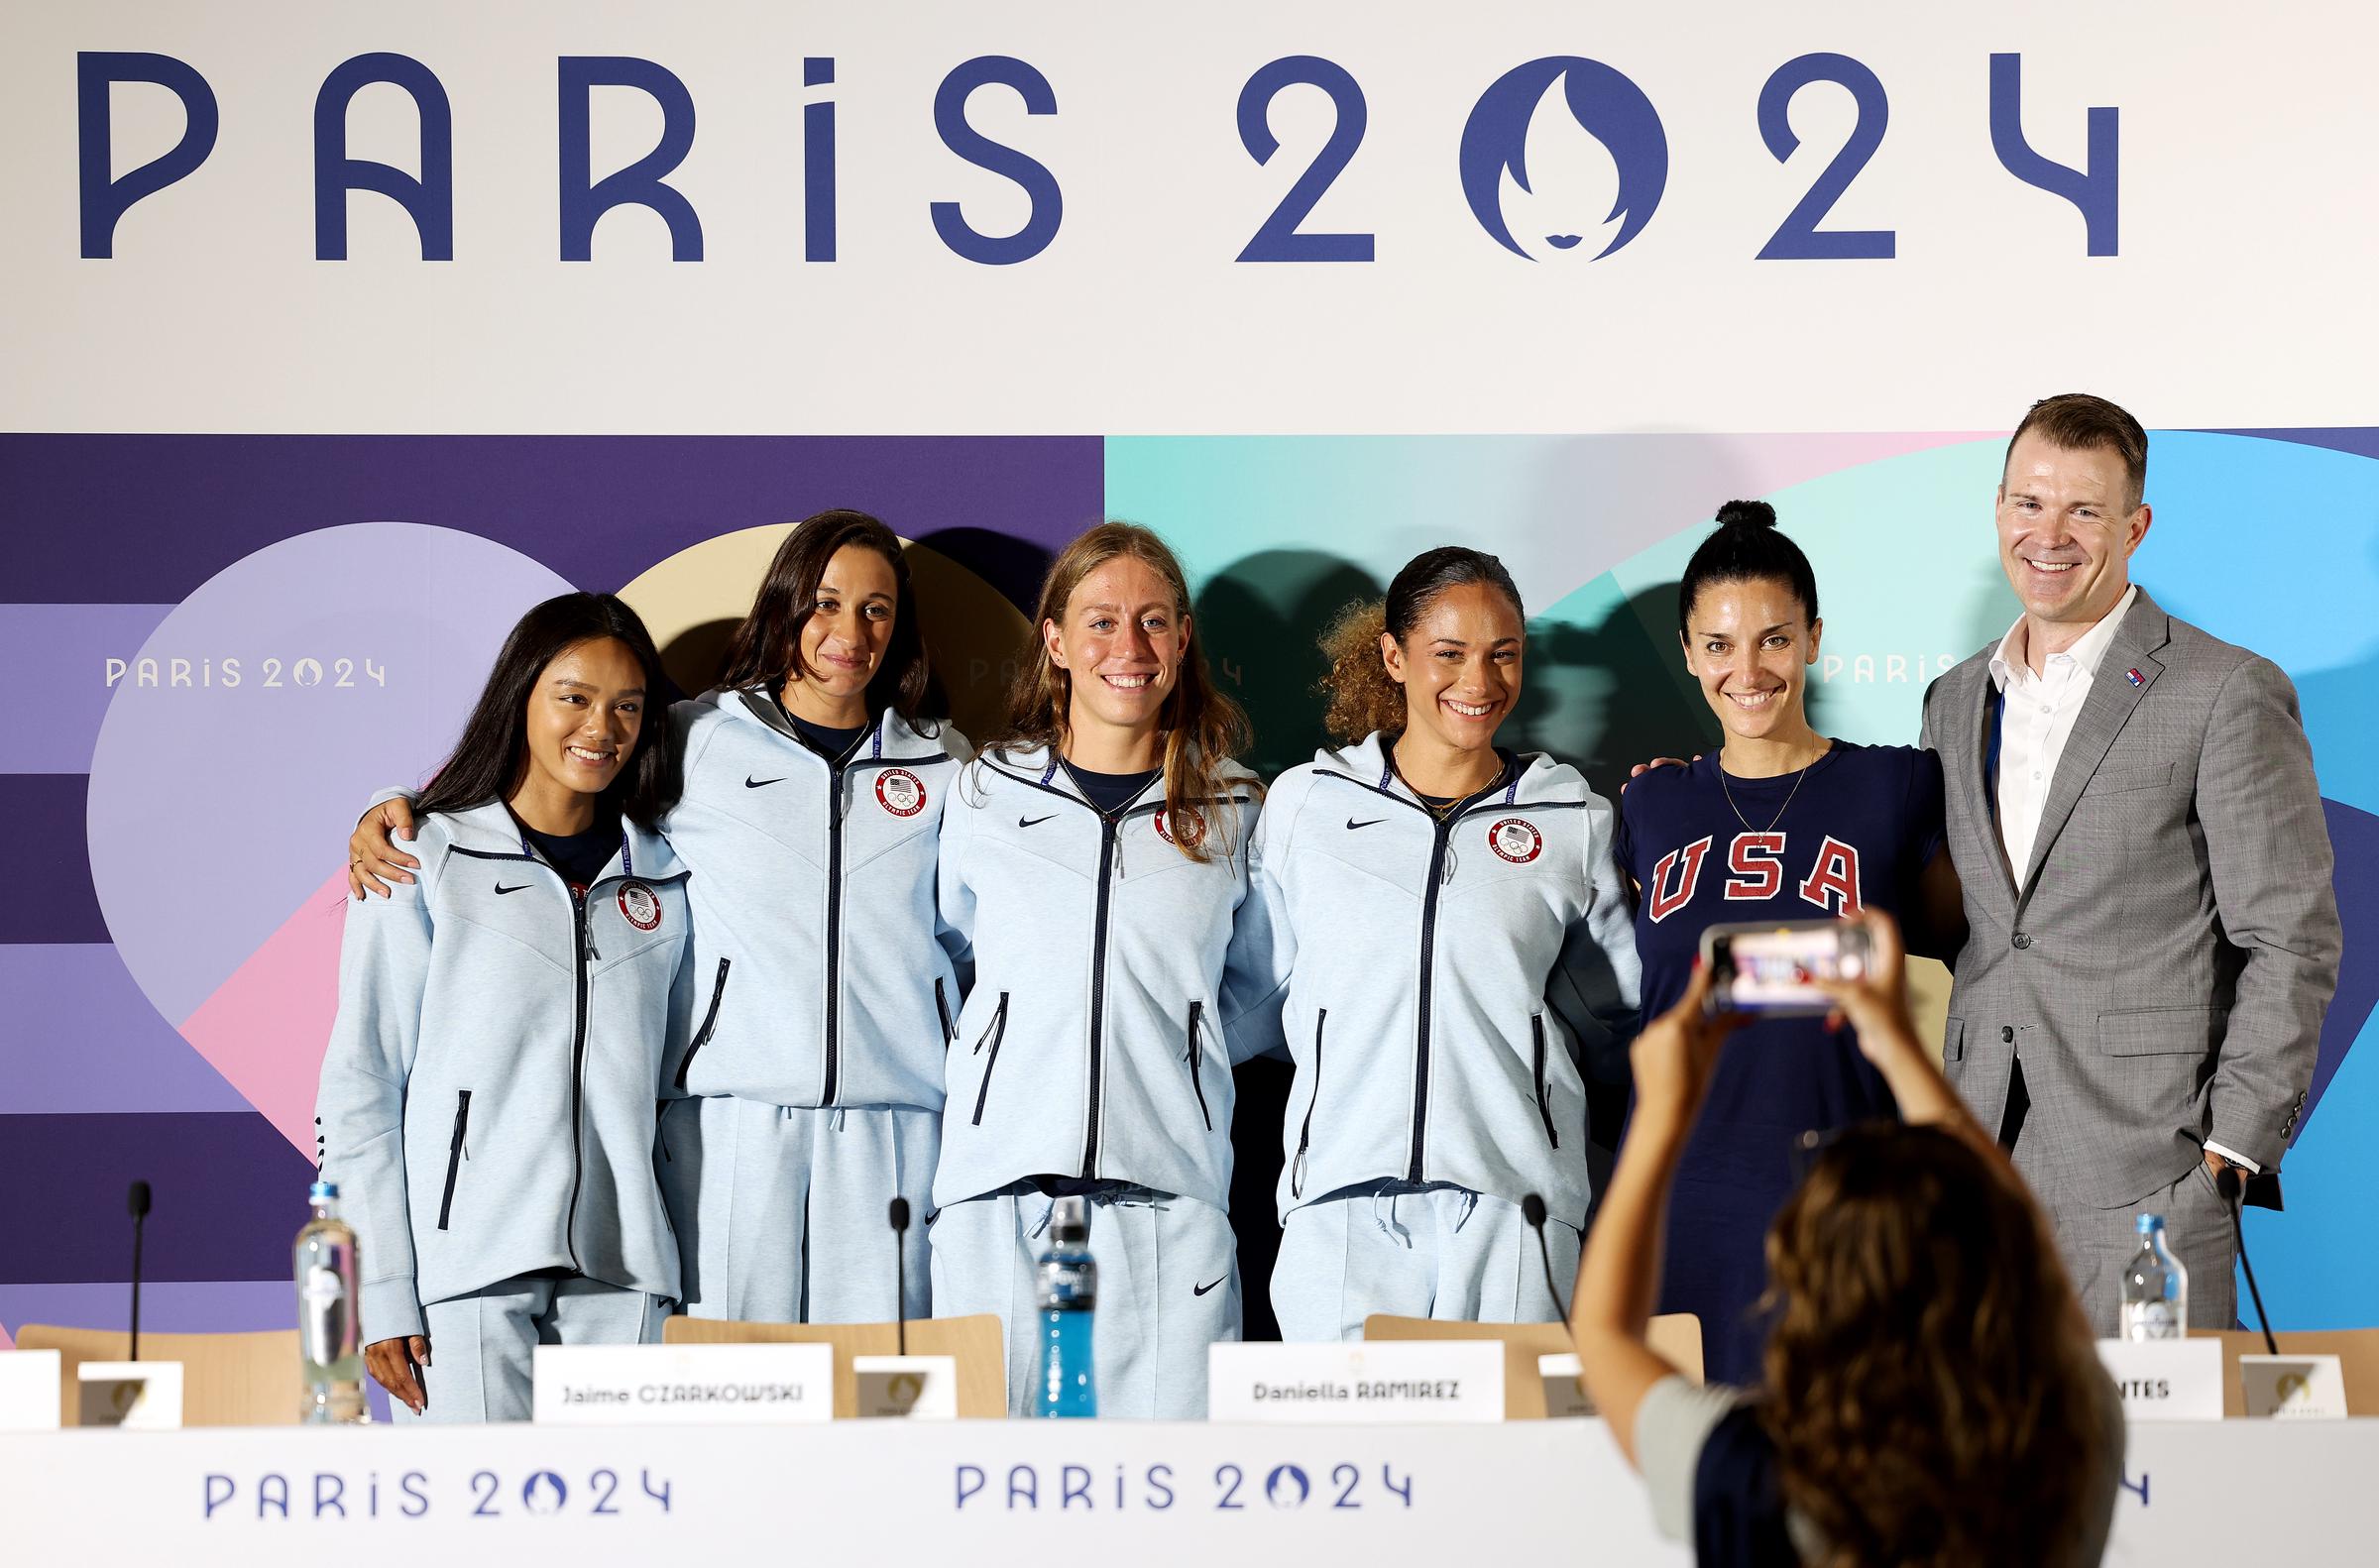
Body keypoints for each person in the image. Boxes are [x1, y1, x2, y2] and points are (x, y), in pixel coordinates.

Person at [349, 510, 963, 1325]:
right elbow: (551, 786)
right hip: (729, 1131)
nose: (849, 630)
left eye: (876, 608)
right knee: (732, 1415)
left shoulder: (947, 763)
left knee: (886, 1409)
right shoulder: (695, 737)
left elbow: (984, 928)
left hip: (897, 1131)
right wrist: (396, 811)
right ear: (785, 606)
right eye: (824, 602)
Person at [1920, 394, 2340, 1332]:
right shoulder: (1953, 702)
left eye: (2084, 511)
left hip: (2155, 1173)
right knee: (1987, 1470)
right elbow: (1970, 921)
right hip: (1977, 1166)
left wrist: (2232, 1145)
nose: (2050, 535)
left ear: (2135, 527)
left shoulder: (2225, 690)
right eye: (2029, 504)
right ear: (1998, 511)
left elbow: (2292, 937)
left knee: (2167, 1474)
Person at [1572, 909, 2122, 1566]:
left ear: (1804, 1284)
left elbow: (1604, 1336)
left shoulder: (1754, 1474)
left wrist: (1665, 1109)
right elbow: (2023, 1241)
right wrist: (1895, 1040)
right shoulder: (2065, 1444)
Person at [1234, 546, 1641, 1342]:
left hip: (1516, 1204)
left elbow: (1623, 1016)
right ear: (1394, 657)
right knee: (1346, 1465)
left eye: (1503, 655)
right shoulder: (1307, 807)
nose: (1479, 683)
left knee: (1506, 1464)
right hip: (1341, 1207)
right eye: (1448, 654)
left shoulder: (1570, 818)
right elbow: (1249, 1000)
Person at [317, 593, 690, 1422]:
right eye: (574, 697)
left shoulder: (668, 874)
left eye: (627, 706)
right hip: (467, 1272)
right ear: (520, 696)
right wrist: (378, 1285)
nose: (601, 727)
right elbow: (362, 1080)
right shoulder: (422, 855)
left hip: (627, 1275)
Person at [1616, 500, 1961, 1385]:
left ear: (1813, 638)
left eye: (1773, 639)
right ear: (1689, 653)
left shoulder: (1899, 784)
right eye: (1720, 646)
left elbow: (1988, 951)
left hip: (1844, 1203)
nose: (1748, 670)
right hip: (1681, 1202)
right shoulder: (1648, 805)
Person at [930, 521, 1267, 1417]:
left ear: (1183, 639)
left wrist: (1170, 1047)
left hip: (1168, 1201)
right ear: (1054, 639)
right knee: (986, 1498)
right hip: (997, 1196)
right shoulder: (983, 792)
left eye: (1154, 622)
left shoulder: (1236, 805)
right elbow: (952, 951)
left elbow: (1259, 990)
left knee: (1162, 1511)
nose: (1130, 646)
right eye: (1102, 621)